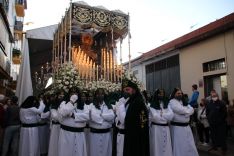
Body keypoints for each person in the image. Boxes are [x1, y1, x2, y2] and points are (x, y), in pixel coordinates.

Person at [121, 78, 149, 156]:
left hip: (137, 135)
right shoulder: (129, 101)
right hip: (130, 134)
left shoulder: (138, 102)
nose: (126, 92)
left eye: (128, 89)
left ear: (134, 90)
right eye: (124, 90)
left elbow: (142, 120)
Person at [58, 91, 89, 156]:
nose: (74, 95)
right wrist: (71, 102)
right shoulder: (64, 103)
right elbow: (62, 113)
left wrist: (73, 115)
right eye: (72, 94)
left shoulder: (83, 105)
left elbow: (86, 117)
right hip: (66, 134)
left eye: (75, 93)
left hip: (79, 134)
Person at [169, 88, 198, 156]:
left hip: (186, 127)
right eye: (178, 93)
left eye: (181, 93)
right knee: (180, 145)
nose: (180, 94)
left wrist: (186, 112)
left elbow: (192, 109)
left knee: (189, 144)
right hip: (178, 128)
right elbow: (179, 110)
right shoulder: (172, 102)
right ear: (174, 94)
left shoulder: (183, 101)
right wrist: (187, 112)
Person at [89, 88, 115, 156]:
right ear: (95, 95)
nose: (100, 95)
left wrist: (101, 115)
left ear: (104, 95)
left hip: (106, 134)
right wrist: (106, 119)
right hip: (94, 135)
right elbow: (93, 117)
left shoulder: (108, 105)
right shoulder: (91, 105)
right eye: (98, 94)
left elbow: (112, 116)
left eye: (102, 94)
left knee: (106, 152)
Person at [149, 89, 173, 156]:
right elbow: (155, 117)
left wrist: (162, 115)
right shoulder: (153, 105)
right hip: (156, 129)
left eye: (162, 94)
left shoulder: (167, 104)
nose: (161, 95)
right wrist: (166, 117)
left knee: (166, 146)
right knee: (157, 146)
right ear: (157, 95)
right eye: (159, 94)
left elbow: (171, 115)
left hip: (166, 128)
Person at [48, 90, 65, 156]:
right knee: (55, 143)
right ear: (57, 97)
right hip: (56, 127)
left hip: (62, 128)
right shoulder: (54, 106)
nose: (62, 97)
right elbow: (55, 117)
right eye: (60, 96)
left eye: (63, 96)